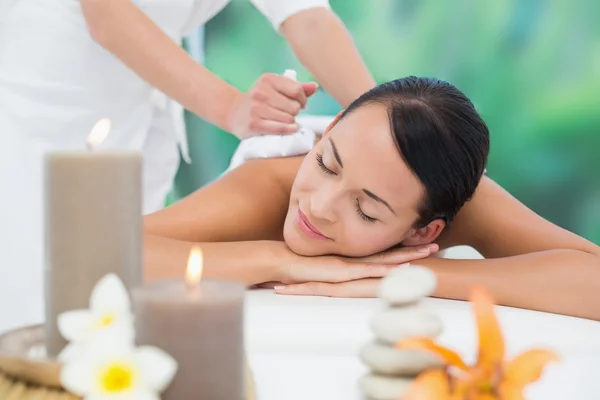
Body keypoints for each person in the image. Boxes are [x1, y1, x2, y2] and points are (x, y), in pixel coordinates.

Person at [143, 77, 600, 321]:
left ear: (424, 230)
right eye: (327, 163)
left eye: (366, 209)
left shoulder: (464, 198)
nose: (319, 205)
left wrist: (410, 274)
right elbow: (98, 247)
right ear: (332, 126)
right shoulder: (269, 188)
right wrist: (279, 259)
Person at [0, 0, 375, 214]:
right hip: (47, 91)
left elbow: (307, 18)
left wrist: (392, 122)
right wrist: (232, 109)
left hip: (147, 100)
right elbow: (107, 15)